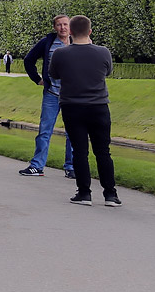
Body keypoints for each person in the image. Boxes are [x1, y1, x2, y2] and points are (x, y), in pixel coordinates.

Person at [50, 16, 121, 206]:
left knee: (79, 151)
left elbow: (54, 75)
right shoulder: (103, 52)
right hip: (99, 107)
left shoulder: (60, 54)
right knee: (103, 151)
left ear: (70, 32)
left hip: (72, 106)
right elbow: (107, 72)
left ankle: (84, 193)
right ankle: (110, 194)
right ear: (90, 32)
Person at [18, 15, 76, 178]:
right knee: (45, 130)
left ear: (70, 26)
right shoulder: (47, 43)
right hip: (51, 93)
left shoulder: (78, 42)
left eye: (65, 24)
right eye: (59, 25)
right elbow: (29, 60)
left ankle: (71, 167)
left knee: (72, 132)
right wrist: (37, 79)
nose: (63, 28)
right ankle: (37, 166)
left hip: (71, 95)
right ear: (54, 27)